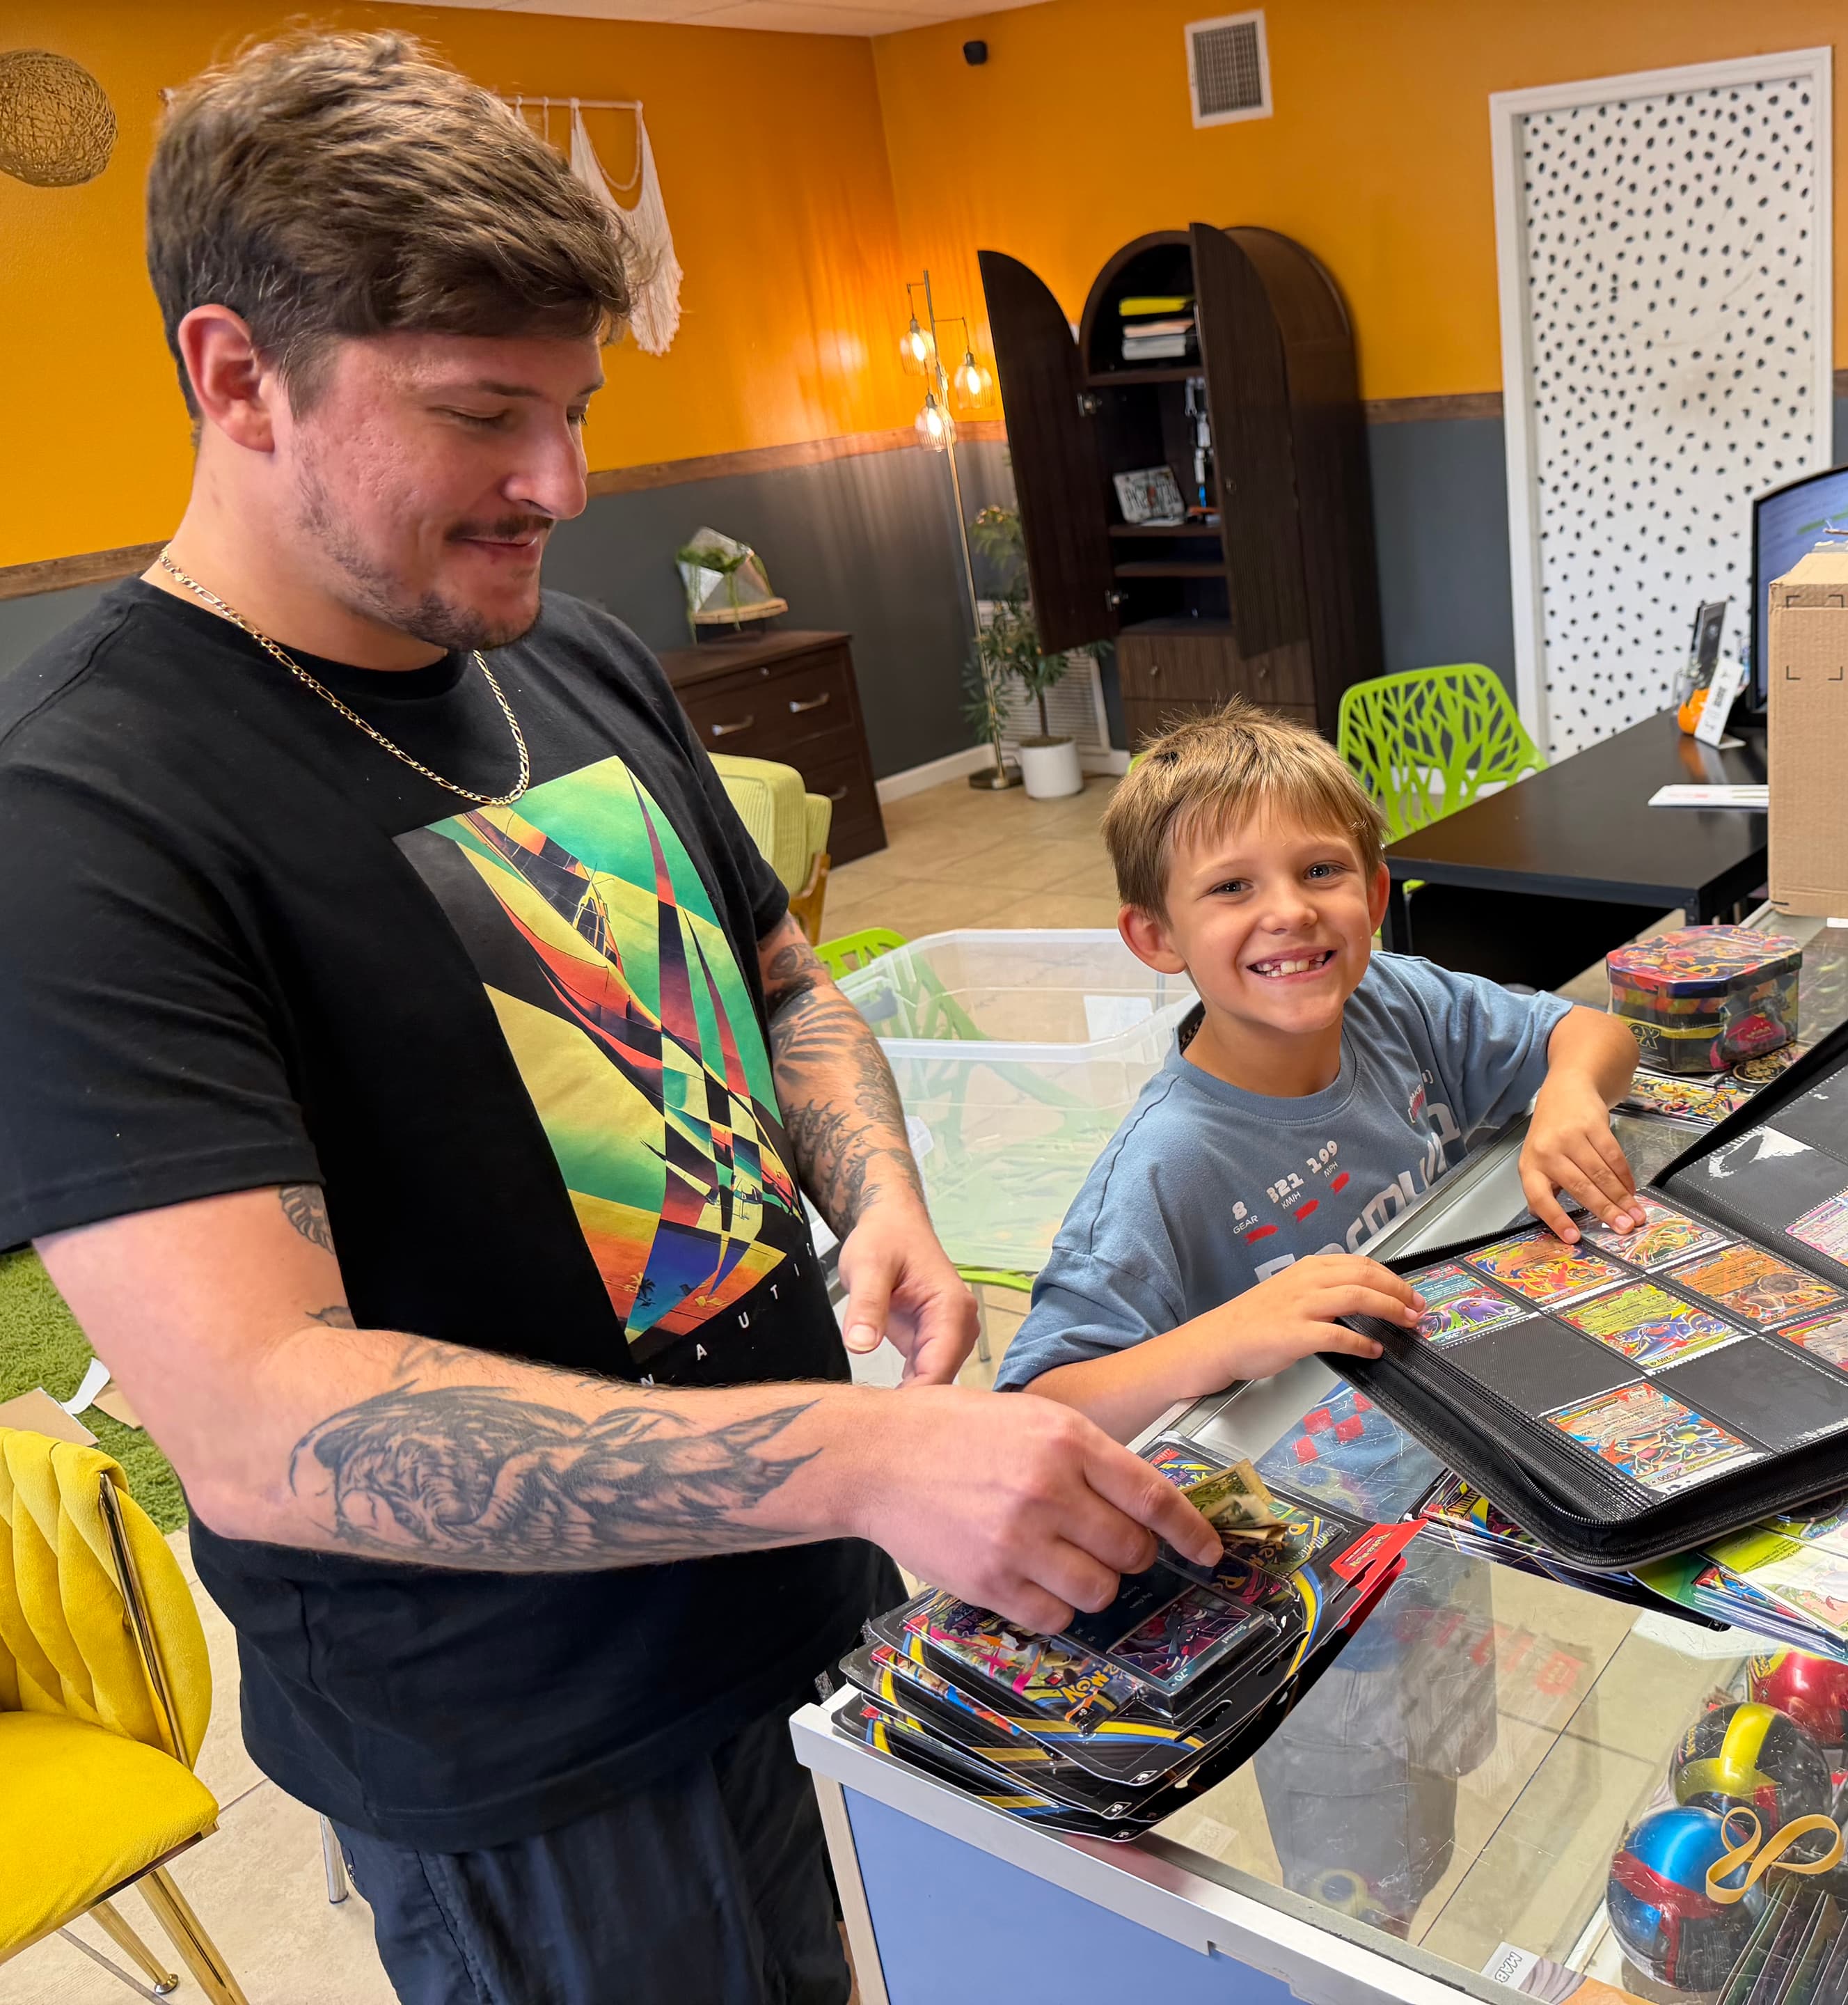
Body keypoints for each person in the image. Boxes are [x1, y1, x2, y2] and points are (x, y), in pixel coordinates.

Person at [0, 33, 1216, 2004]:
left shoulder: (559, 642)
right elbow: (254, 1418)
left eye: (573, 408)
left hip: (799, 1605)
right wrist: (848, 1454)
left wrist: (873, 1183)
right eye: (486, 414)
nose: (559, 486)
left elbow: (778, 966)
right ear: (237, 378)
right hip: (532, 1757)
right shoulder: (82, 817)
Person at [994, 697, 1644, 1435]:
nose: (1291, 912)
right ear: (1156, 936)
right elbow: (1030, 1414)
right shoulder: (1161, 1168)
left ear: (1372, 897)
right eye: (1231, 886)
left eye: (1321, 870)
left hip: (1453, 1411)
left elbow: (1596, 1034)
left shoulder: (1397, 997)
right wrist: (1217, 1340)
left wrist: (1569, 1089)